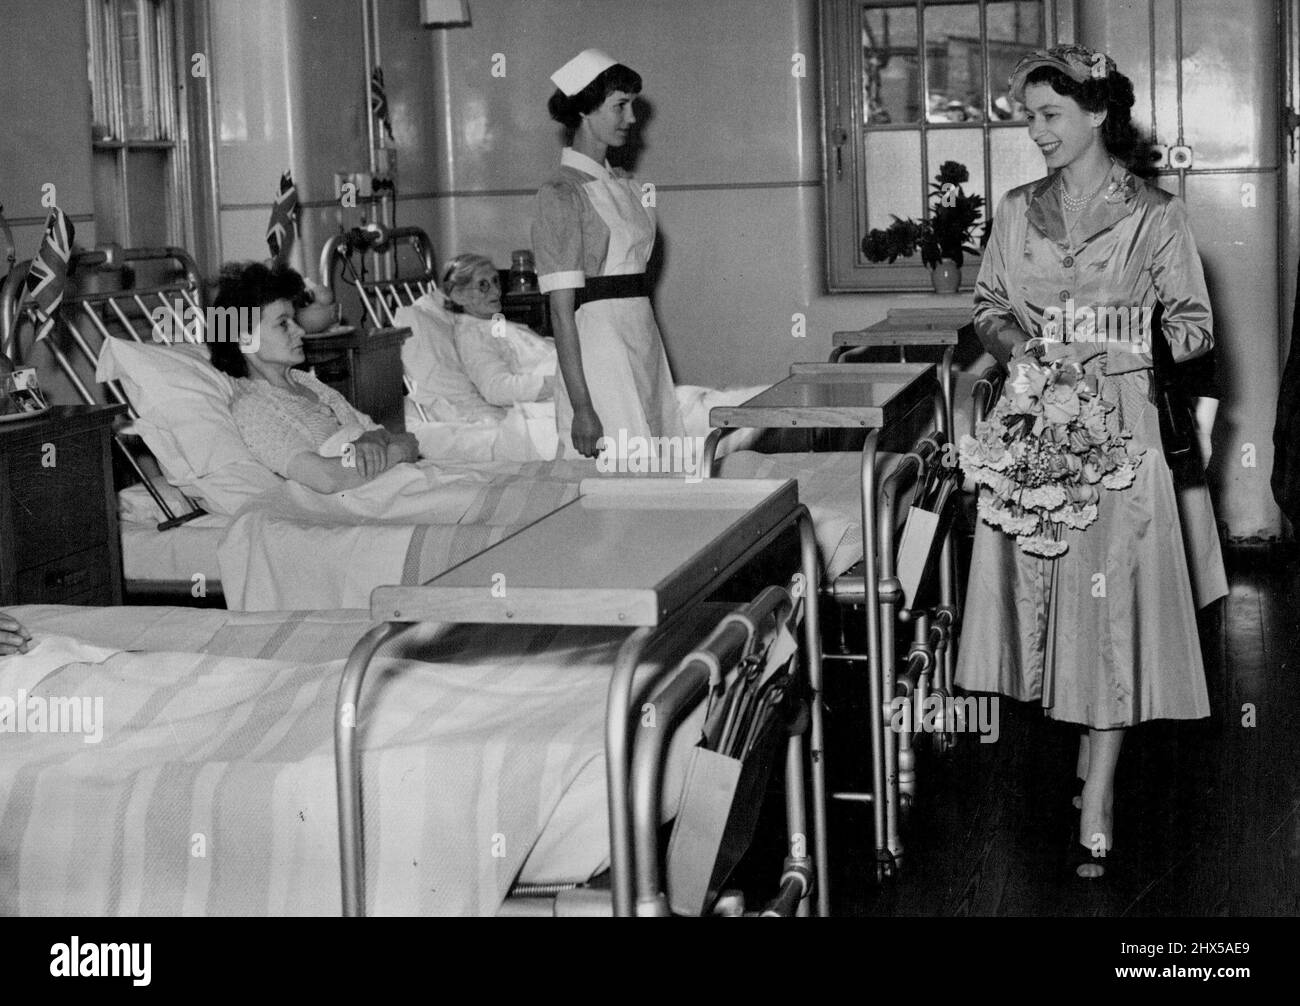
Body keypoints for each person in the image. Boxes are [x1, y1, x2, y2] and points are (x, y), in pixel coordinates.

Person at [956, 45, 1221, 879]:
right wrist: (1022, 348)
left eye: (1048, 116)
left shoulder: (1155, 215)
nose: (1034, 134)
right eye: (1028, 118)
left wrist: (1111, 340)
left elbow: (1194, 330)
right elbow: (989, 305)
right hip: (1036, 426)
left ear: (1097, 113)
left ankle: (1100, 789)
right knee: (1051, 600)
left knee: (1109, 614)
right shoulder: (1015, 209)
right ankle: (1083, 751)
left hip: (1124, 438)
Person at [532, 49, 687, 461]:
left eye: (632, 105)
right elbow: (562, 313)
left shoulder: (626, 185)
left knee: (660, 456)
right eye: (620, 106)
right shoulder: (561, 194)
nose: (632, 119)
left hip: (642, 336)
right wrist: (583, 408)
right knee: (619, 473)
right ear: (585, 109)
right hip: (600, 350)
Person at [208, 261, 419, 494]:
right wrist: (395, 452)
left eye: (294, 320)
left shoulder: (306, 382)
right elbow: (327, 477)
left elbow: (387, 435)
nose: (300, 331)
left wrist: (373, 441)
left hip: (387, 483)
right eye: (283, 324)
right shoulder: (253, 407)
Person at [440, 253, 556, 407]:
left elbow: (521, 351)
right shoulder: (473, 336)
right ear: (459, 296)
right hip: (554, 397)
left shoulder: (493, 323)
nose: (496, 292)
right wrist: (564, 381)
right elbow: (497, 390)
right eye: (483, 285)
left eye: (495, 281)